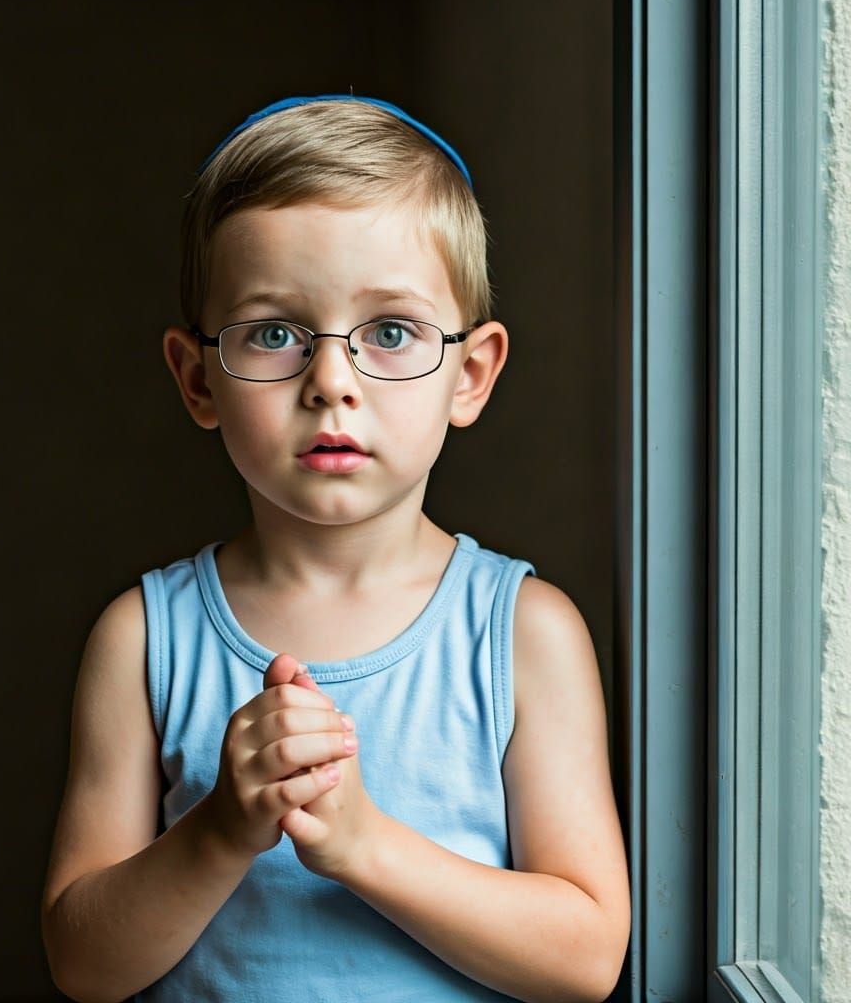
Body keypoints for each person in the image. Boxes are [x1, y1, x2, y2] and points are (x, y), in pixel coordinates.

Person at [40, 94, 631, 1003]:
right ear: (198, 379)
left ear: (469, 376)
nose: (330, 383)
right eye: (275, 332)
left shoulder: (524, 634)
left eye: (390, 333)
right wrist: (222, 829)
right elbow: (84, 964)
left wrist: (364, 845)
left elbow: (586, 959)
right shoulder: (143, 640)